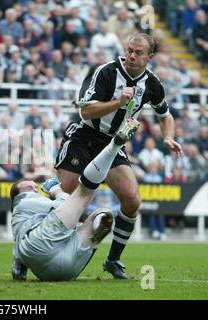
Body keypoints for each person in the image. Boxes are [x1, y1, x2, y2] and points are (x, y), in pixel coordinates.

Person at [55, 33, 183, 279]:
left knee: (132, 200)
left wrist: (168, 137)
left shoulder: (153, 84)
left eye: (138, 53)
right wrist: (117, 102)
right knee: (63, 196)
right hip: (84, 136)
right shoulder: (105, 71)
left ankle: (113, 259)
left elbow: (165, 114)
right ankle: (27, 254)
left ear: (150, 57)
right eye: (130, 50)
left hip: (112, 143)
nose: (132, 56)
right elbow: (86, 112)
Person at [11, 119, 140, 281]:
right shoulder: (24, 202)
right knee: (83, 193)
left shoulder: (20, 221)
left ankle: (82, 240)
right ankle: (113, 146)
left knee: (104, 216)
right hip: (41, 246)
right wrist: (56, 190)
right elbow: (63, 204)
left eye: (34, 186)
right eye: (29, 187)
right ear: (18, 196)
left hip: (62, 269)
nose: (35, 188)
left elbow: (18, 245)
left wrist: (18, 266)